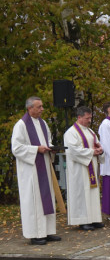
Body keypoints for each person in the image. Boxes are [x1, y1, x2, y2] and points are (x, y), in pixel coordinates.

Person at [11, 96, 61, 245]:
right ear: (30, 108)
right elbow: (17, 148)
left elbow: (48, 141)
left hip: (44, 166)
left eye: (42, 106)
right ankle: (35, 234)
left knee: (47, 198)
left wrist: (50, 148)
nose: (42, 109)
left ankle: (47, 232)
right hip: (31, 170)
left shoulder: (43, 123)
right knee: (34, 201)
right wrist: (36, 149)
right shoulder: (21, 125)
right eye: (39, 107)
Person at [64, 106, 105, 231]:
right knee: (81, 194)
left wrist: (100, 150)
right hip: (79, 169)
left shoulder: (90, 131)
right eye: (87, 118)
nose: (89, 121)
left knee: (92, 193)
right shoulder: (71, 133)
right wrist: (91, 152)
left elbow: (97, 143)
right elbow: (73, 151)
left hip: (91, 165)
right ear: (79, 117)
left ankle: (94, 218)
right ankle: (82, 220)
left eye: (90, 118)